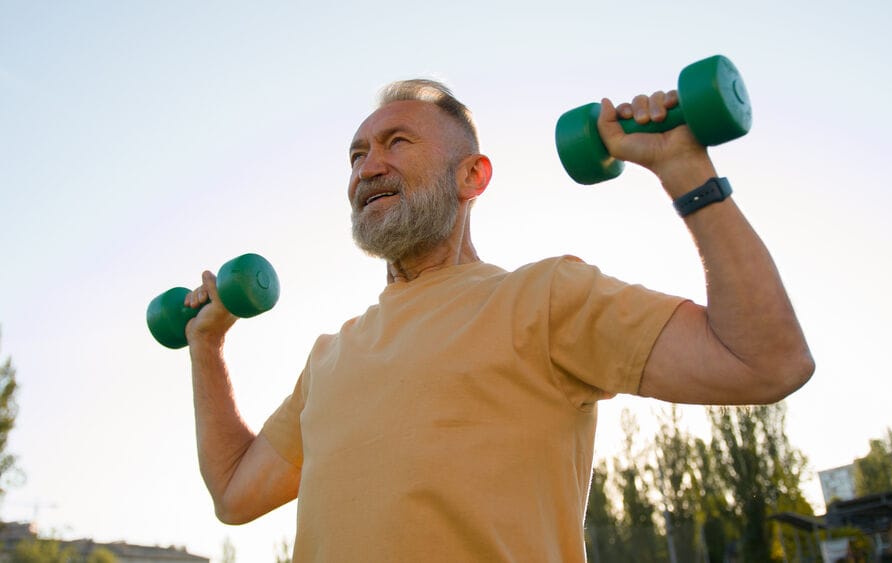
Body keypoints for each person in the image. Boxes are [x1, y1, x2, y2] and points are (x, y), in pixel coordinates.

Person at [182, 79, 814, 561]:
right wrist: (206, 345)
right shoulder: (328, 360)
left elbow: (765, 361)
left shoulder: (543, 298)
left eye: (396, 142)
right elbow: (235, 494)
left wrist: (685, 168)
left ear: (472, 176)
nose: (366, 167)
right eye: (356, 155)